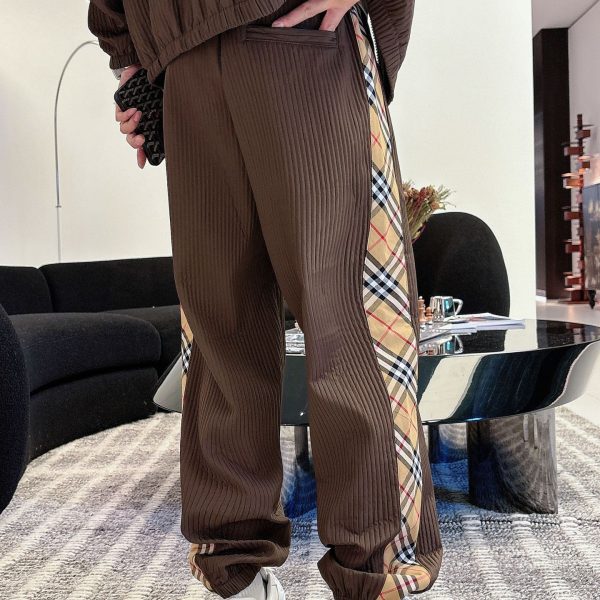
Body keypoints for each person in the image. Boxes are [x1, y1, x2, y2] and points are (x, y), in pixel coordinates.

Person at [88, 0, 443, 598]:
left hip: (196, 54)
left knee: (226, 331)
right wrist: (133, 60)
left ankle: (242, 574)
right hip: (282, 38)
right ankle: (375, 574)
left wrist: (131, 56)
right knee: (350, 323)